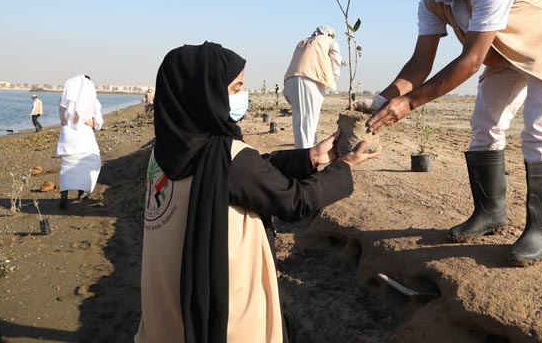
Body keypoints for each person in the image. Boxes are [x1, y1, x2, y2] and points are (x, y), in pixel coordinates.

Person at [368, 0, 542, 266]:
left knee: (538, 128)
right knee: (484, 124)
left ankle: (538, 230)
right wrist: (381, 102)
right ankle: (489, 212)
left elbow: (471, 61)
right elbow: (419, 64)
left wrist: (410, 103)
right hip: (504, 49)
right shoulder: (432, 2)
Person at [135, 42, 378, 343]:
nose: (242, 97)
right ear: (206, 94)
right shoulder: (228, 157)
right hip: (224, 300)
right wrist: (344, 167)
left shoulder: (163, 153)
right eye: (236, 88)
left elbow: (252, 169)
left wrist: (310, 158)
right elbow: (294, 202)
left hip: (167, 298)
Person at [282, 26, 342, 149]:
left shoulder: (302, 42)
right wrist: (330, 80)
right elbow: (336, 64)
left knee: (299, 122)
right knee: (308, 122)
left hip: (290, 82)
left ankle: (299, 155)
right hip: (309, 81)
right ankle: (305, 161)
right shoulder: (330, 41)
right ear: (330, 34)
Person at [56, 74, 103, 209]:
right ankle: (81, 193)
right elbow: (98, 122)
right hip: (84, 135)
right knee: (89, 163)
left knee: (67, 166)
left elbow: (62, 116)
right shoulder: (90, 99)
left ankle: (64, 196)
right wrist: (94, 124)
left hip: (68, 136)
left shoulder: (65, 99)